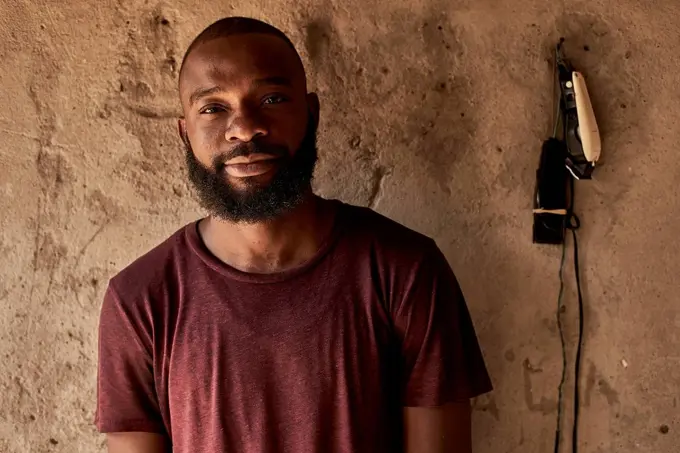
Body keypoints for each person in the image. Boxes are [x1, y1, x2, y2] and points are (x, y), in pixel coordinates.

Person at [94, 16, 493, 453]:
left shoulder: (406, 271)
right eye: (213, 107)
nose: (245, 128)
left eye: (272, 98)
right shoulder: (140, 300)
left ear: (312, 113)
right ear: (185, 133)